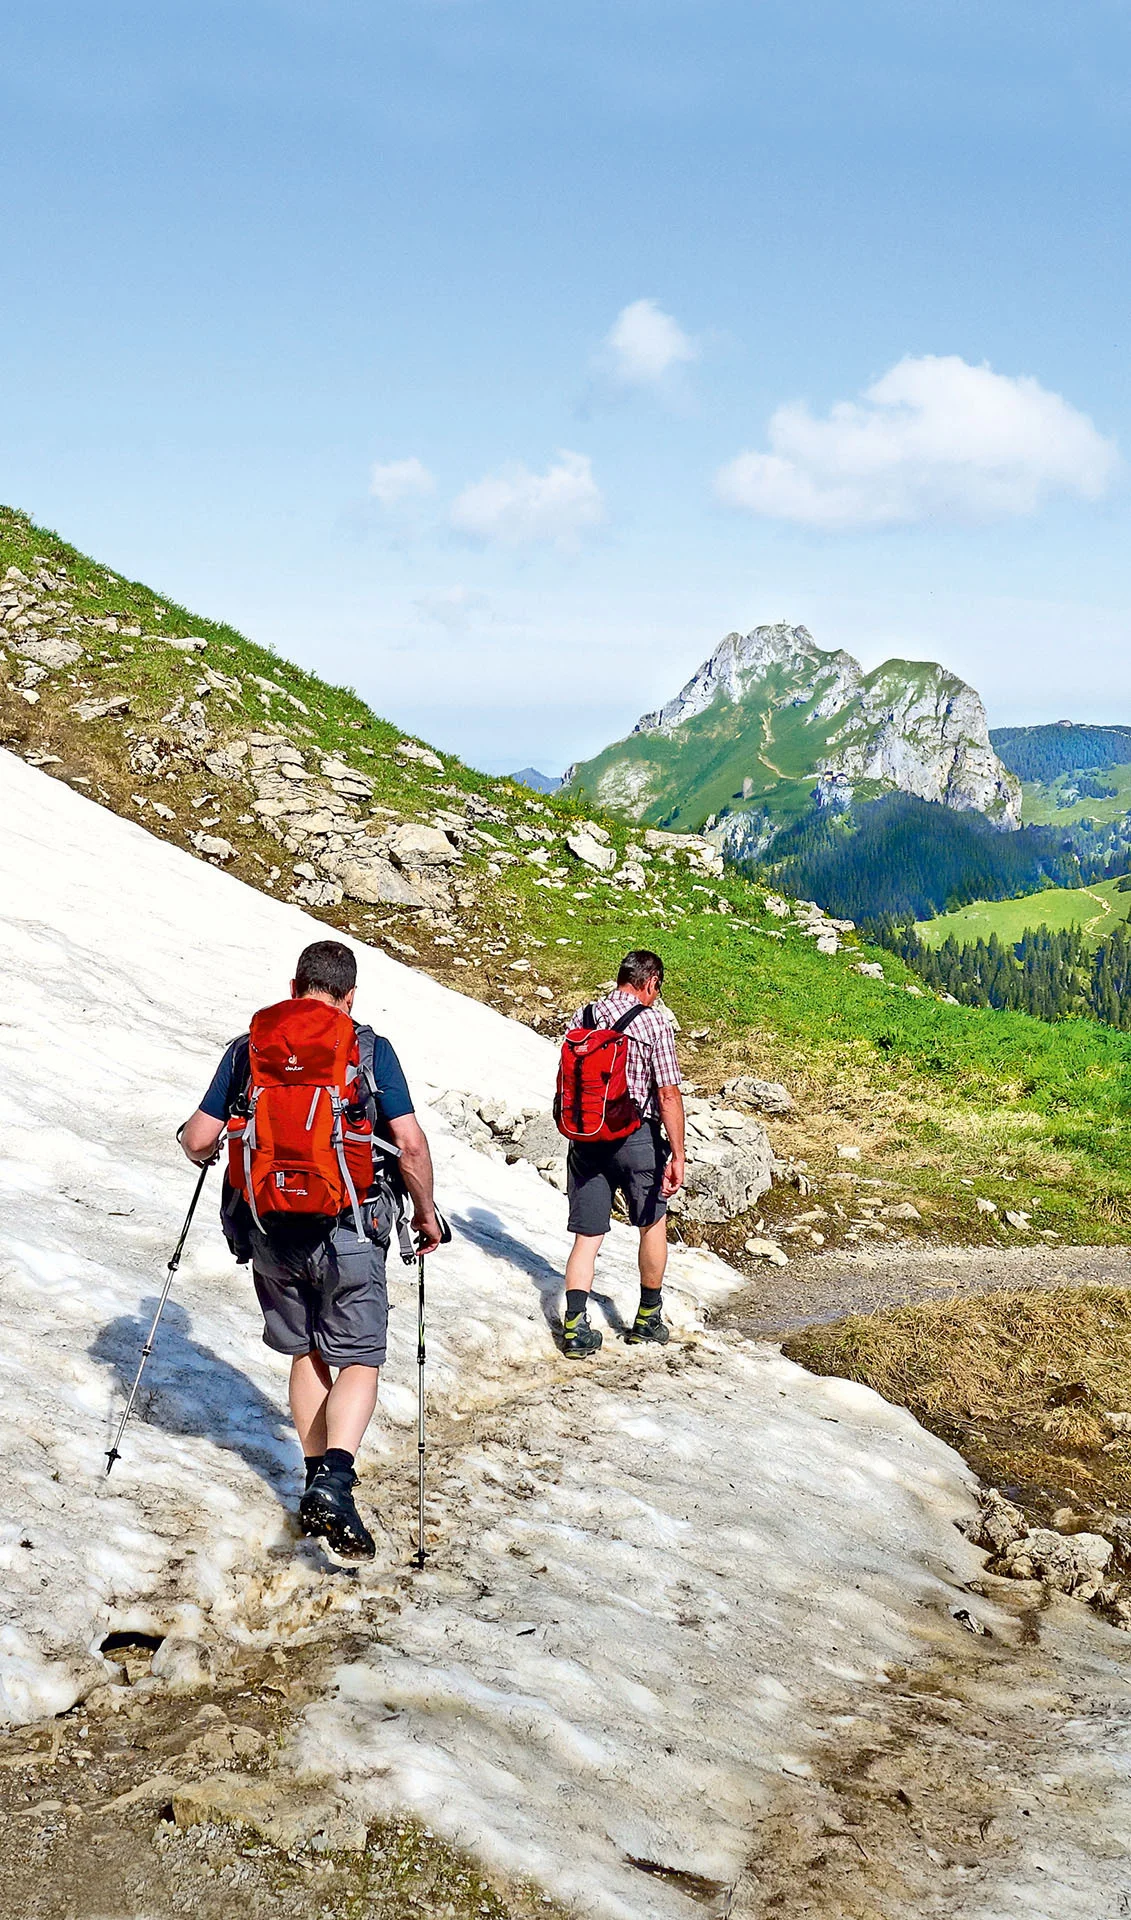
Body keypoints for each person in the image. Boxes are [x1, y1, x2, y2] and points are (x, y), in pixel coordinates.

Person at [179, 939, 442, 1558]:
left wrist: (205, 1151)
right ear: (349, 996)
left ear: (294, 984)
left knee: (306, 1349)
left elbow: (199, 1137)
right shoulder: (368, 1048)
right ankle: (336, 1481)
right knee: (359, 1357)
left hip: (271, 1227)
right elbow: (409, 1144)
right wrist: (426, 1216)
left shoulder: (251, 1049)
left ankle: (312, 1476)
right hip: (352, 1224)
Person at [562, 950, 685, 1357]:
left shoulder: (583, 1018)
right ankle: (648, 1318)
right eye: (658, 987)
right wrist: (678, 1154)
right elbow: (667, 1094)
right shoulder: (654, 1023)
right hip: (637, 1139)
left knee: (587, 1238)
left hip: (587, 1137)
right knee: (651, 1225)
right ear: (650, 982)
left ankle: (575, 1326)